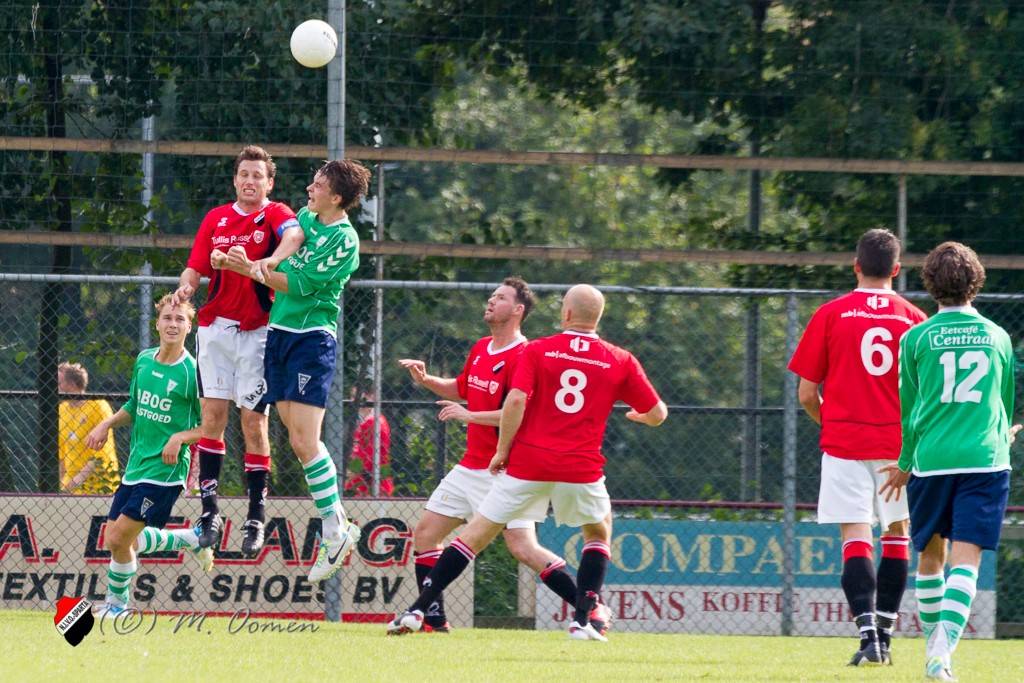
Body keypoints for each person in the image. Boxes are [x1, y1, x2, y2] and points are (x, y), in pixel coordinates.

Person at [388, 284, 667, 640]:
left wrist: (499, 446)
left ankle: (418, 609)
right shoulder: (618, 358)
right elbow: (657, 413)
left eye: (501, 297)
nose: (491, 300)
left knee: (509, 545)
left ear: (564, 313)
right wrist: (428, 381)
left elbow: (517, 404)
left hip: (518, 465)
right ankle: (434, 617)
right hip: (558, 466)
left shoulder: (533, 350)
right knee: (429, 533)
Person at [222, 158, 370, 582]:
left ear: (336, 197)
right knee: (296, 436)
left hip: (310, 340)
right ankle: (337, 525)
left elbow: (298, 285)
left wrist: (249, 268)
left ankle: (334, 529)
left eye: (318, 184)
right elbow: (296, 236)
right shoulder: (309, 216)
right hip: (280, 335)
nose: (310, 188)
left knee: (305, 441)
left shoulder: (344, 240)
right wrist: (266, 261)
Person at [788, 228, 927, 666]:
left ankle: (867, 636)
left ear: (856, 266)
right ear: (896, 269)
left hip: (845, 443)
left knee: (855, 536)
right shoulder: (914, 318)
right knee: (897, 535)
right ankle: (885, 636)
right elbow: (926, 395)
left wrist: (834, 423)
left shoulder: (831, 314)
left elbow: (806, 394)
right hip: (898, 447)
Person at [879, 242, 1014, 681]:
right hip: (984, 460)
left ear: (930, 284)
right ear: (977, 281)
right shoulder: (997, 336)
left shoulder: (915, 338)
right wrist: (1004, 433)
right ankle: (942, 653)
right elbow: (1004, 403)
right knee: (967, 559)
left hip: (932, 461)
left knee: (930, 557)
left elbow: (910, 410)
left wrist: (905, 462)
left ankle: (934, 647)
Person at [172, 144, 304, 558]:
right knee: (212, 417)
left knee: (253, 423)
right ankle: (209, 512)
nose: (250, 181)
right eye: (244, 174)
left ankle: (255, 516)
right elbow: (195, 267)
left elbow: (296, 234)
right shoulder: (217, 218)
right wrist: (186, 287)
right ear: (235, 180)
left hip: (258, 332)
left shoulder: (275, 214)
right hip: (215, 330)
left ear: (270, 182)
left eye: (257, 175)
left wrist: (268, 261)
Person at [85, 294, 213, 615]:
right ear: (157, 324)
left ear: (190, 327)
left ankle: (117, 606)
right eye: (167, 318)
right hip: (136, 466)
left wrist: (180, 438)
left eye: (180, 319)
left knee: (118, 537)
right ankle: (190, 538)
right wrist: (107, 424)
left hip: (166, 471)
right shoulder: (143, 360)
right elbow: (134, 405)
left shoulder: (192, 372)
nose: (173, 324)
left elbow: (212, 426)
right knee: (118, 540)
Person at [58, 362, 119, 494]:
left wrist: (74, 483)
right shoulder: (62, 409)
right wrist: (60, 485)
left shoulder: (98, 407)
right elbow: (61, 453)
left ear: (72, 384)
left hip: (100, 486)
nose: (55, 388)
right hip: (69, 487)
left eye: (59, 383)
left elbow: (99, 455)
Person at [344, 390, 393, 497]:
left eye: (357, 396)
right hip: (369, 479)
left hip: (367, 483)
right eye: (352, 396)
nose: (353, 400)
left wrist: (350, 477)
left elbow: (365, 457)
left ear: (371, 397)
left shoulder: (371, 422)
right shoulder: (372, 420)